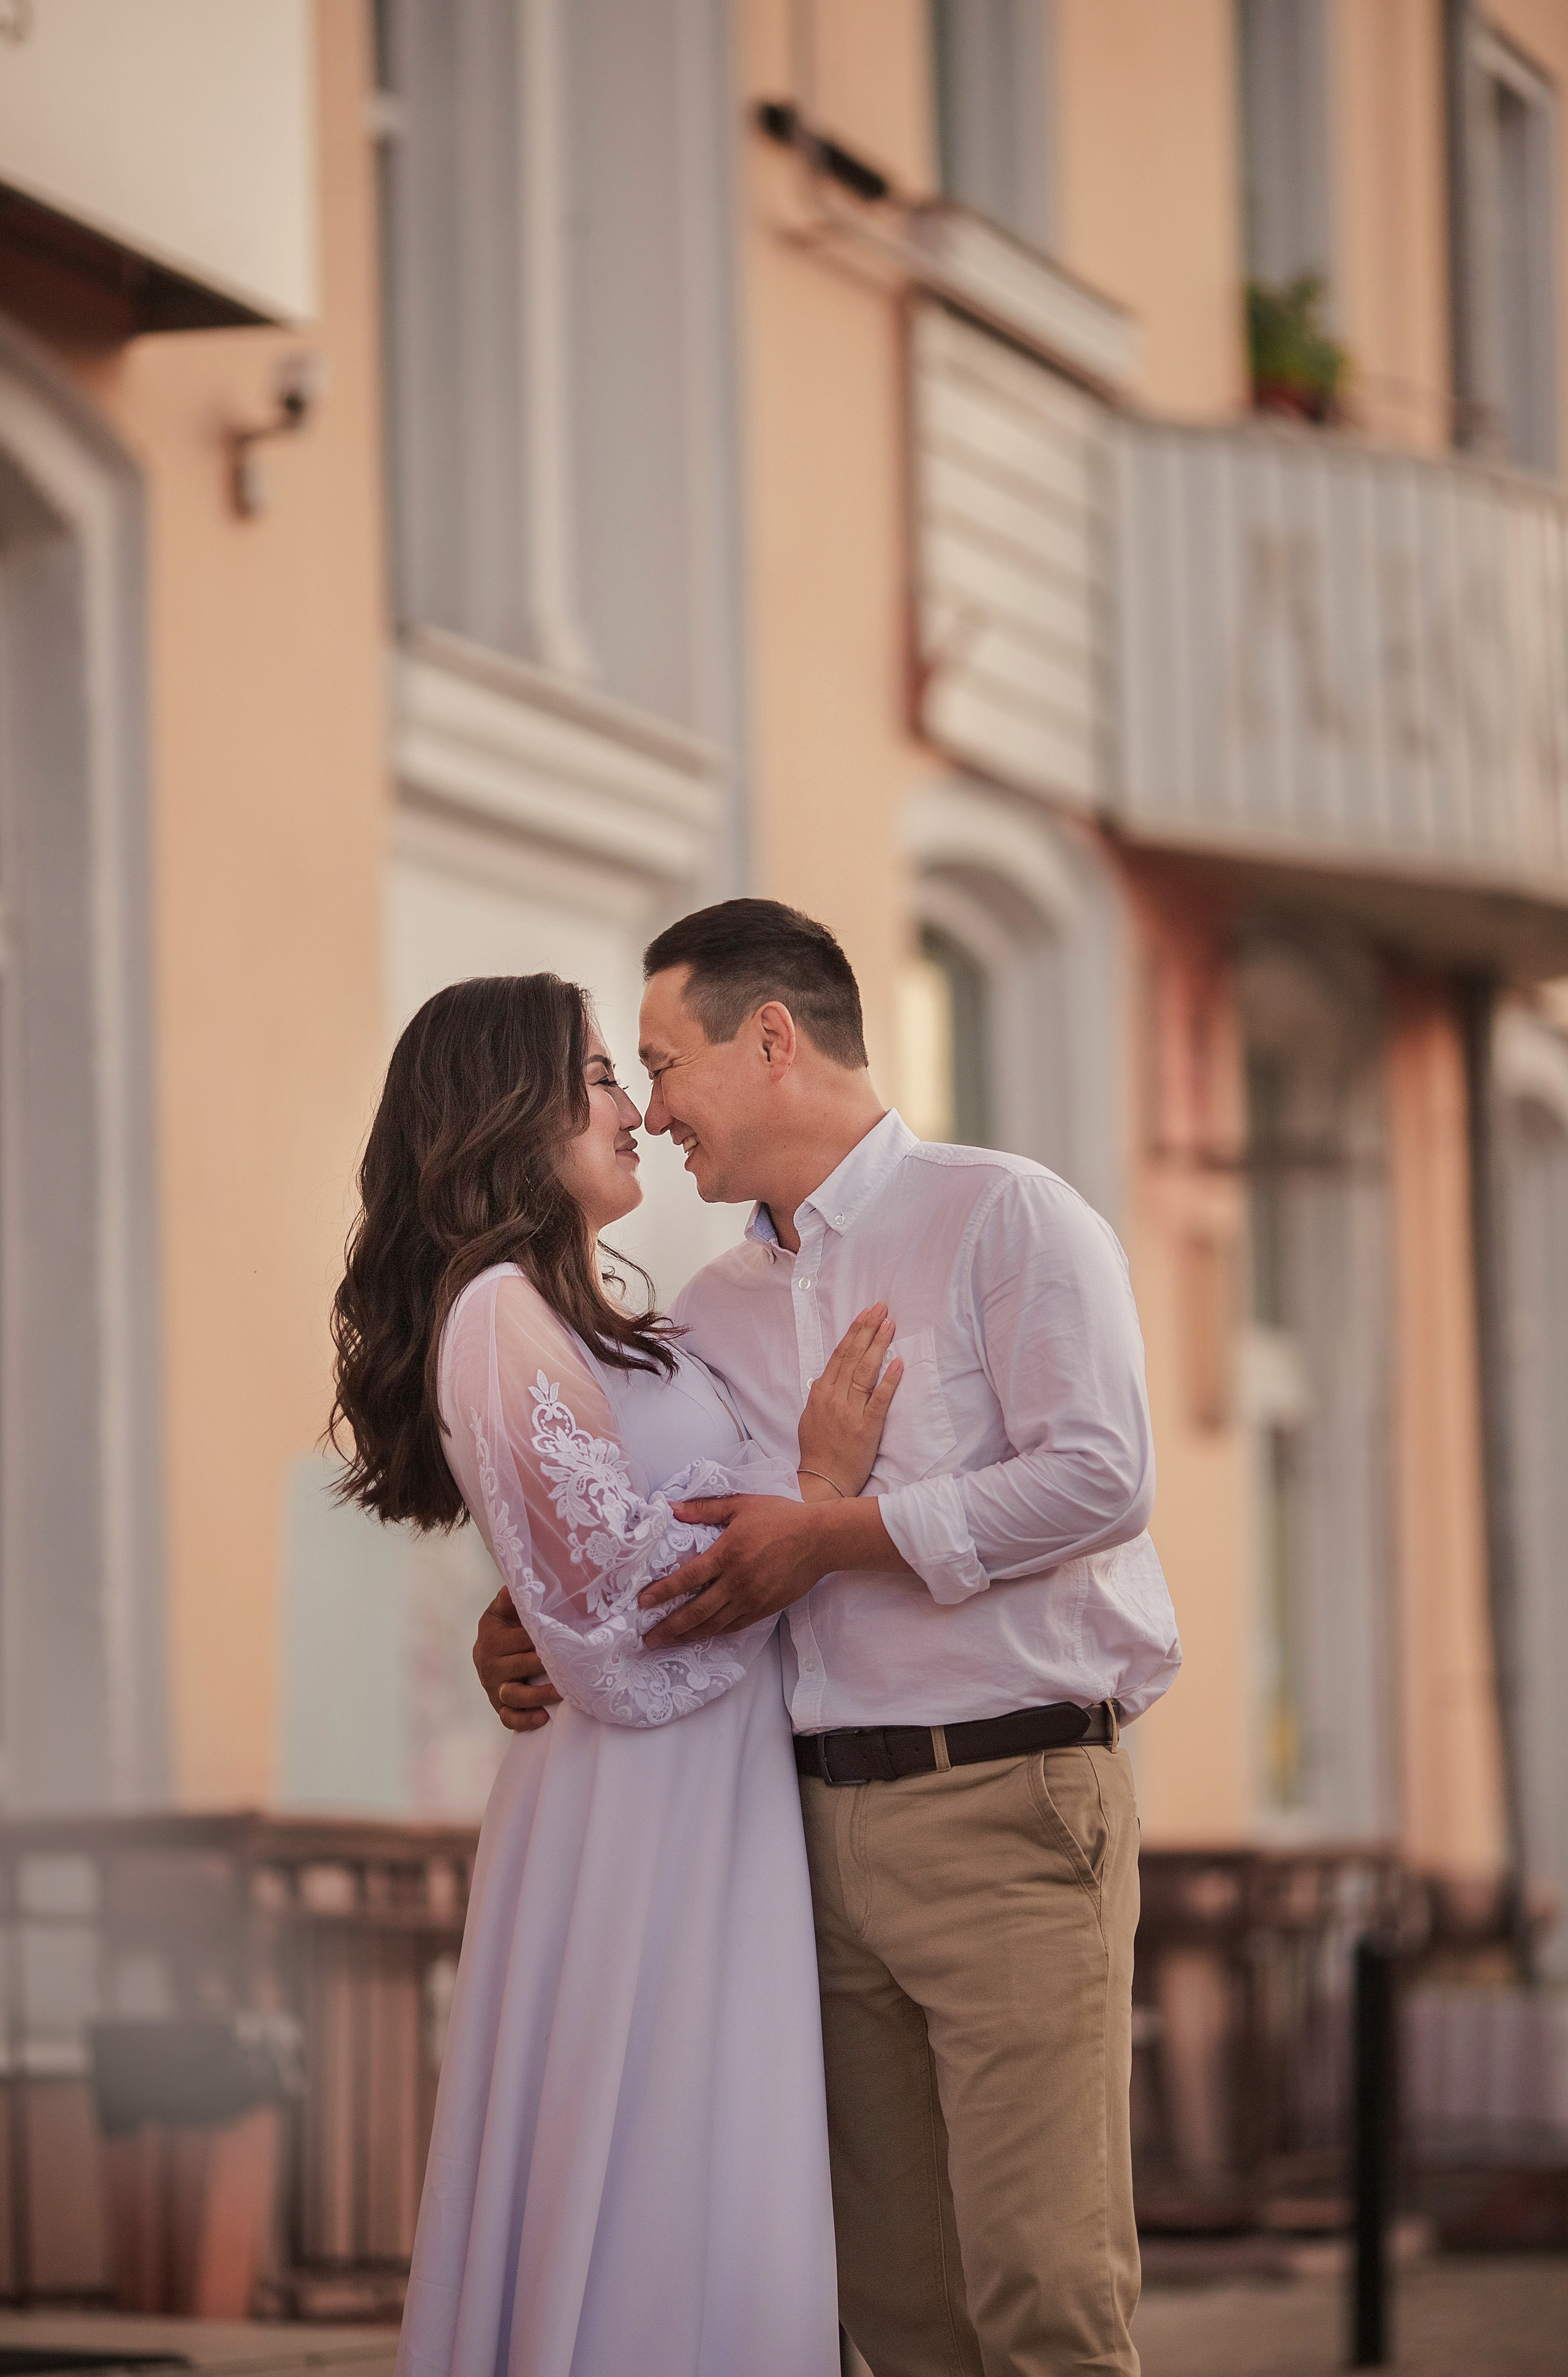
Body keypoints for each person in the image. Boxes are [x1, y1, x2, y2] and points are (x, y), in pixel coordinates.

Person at [475, 899, 1183, 2377]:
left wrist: (841, 1530)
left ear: (772, 1041)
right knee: (897, 2312)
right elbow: (656, 1508)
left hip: (1007, 1804)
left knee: (1044, 2292)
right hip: (803, 1839)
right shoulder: (715, 1308)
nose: (653, 1113)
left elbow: (1101, 1477)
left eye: (663, 1064)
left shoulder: (1004, 1216)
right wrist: (525, 1604)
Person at [329, 971, 910, 2377]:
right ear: (507, 1114)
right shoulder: (492, 1318)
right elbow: (614, 1609)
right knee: (658, 2161)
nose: (633, 1112)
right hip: (634, 1818)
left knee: (718, 2168)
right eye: (599, 1077)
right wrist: (821, 1489)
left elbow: (578, 1565)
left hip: (705, 1804)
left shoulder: (596, 1318)